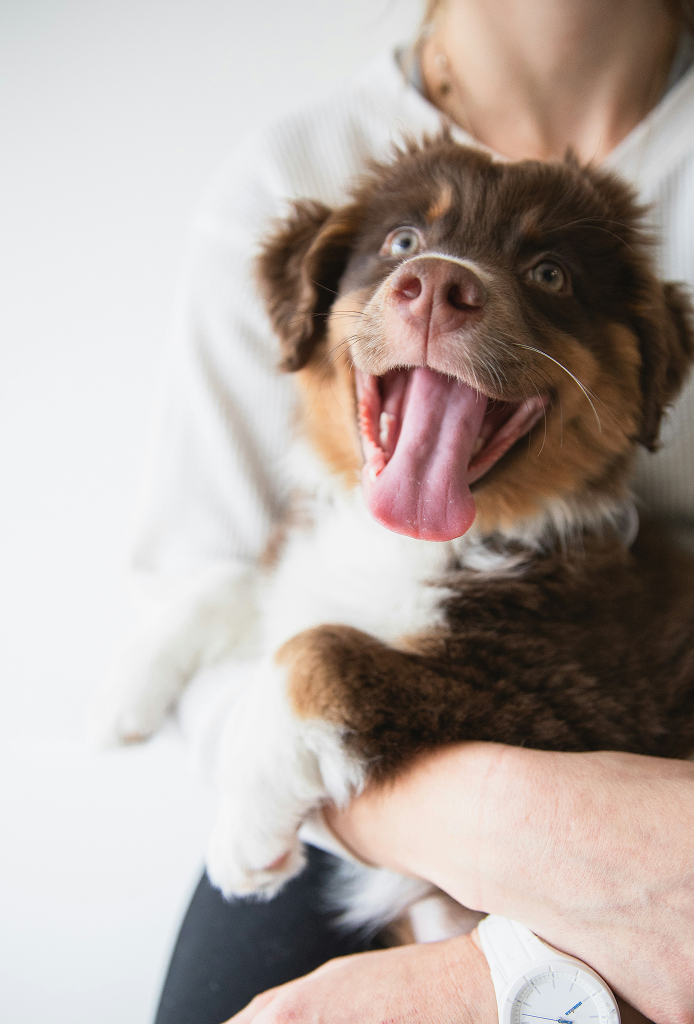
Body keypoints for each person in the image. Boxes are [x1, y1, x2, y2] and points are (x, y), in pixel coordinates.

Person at [123, 1, 693, 1022]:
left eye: (548, 273)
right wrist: (489, 832)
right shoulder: (291, 160)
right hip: (350, 799)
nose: (437, 282)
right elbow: (197, 577)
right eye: (401, 248)